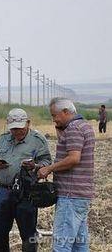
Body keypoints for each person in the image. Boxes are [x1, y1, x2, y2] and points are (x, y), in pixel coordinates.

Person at [0, 108, 52, 252]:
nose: (17, 132)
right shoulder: (3, 139)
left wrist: (34, 166)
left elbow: (47, 162)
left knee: (28, 233)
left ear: (28, 123)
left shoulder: (37, 140)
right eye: (13, 129)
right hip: (3, 191)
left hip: (27, 192)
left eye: (20, 128)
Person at [38, 98, 95, 252]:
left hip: (70, 195)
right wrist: (61, 130)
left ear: (65, 112)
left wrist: (50, 168)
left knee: (61, 245)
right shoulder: (84, 126)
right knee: (79, 244)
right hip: (81, 195)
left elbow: (73, 158)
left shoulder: (73, 129)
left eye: (54, 115)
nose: (53, 119)